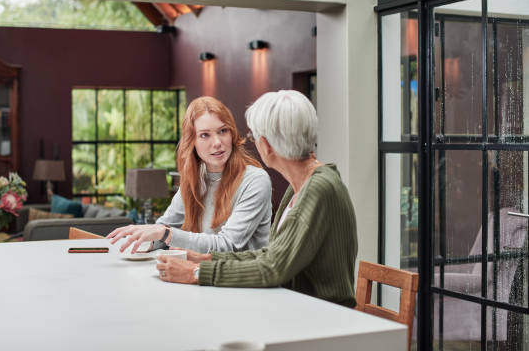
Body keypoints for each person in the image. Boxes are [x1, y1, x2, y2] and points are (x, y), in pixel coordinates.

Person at [156, 90, 358, 307]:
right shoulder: (302, 186)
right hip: (295, 307)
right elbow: (271, 256)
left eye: (254, 137)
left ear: (267, 145)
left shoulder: (319, 188)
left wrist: (198, 272)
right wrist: (206, 259)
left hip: (321, 317)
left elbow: (273, 268)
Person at [107, 96, 272, 254]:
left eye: (223, 131)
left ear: (232, 134)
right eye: (205, 135)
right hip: (199, 276)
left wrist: (164, 233)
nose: (217, 143)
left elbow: (228, 245)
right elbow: (165, 228)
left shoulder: (255, 180)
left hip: (240, 281)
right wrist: (141, 241)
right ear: (191, 141)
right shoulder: (196, 178)